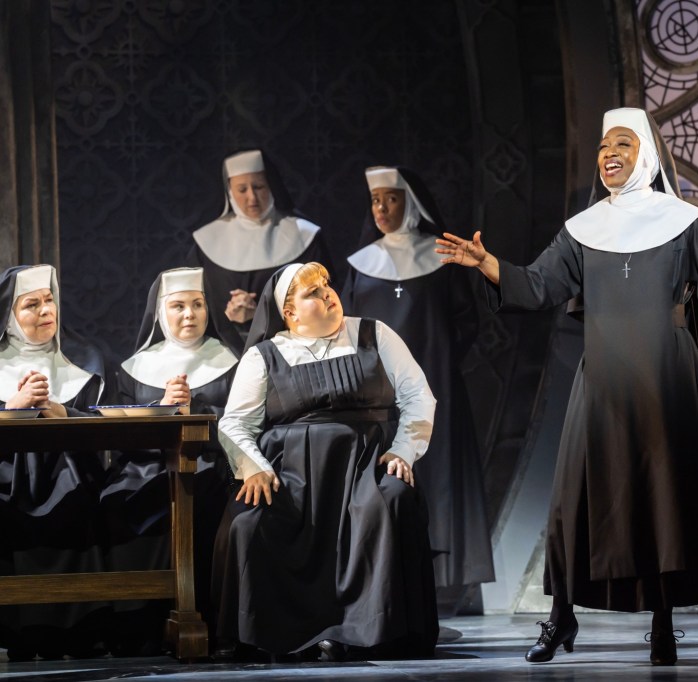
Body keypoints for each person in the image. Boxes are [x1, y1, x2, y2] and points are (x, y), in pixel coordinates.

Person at [436, 107, 698, 666]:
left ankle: (662, 624)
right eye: (602, 147)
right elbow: (538, 286)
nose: (608, 154)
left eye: (621, 144)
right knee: (575, 498)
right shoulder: (583, 228)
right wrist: (489, 263)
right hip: (604, 376)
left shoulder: (687, 221)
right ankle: (561, 615)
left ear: (646, 155)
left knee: (663, 498)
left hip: (664, 374)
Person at [214, 262, 439, 661]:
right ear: (290, 312)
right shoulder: (264, 356)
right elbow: (235, 423)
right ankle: (269, 635)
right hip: (290, 475)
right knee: (248, 523)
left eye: (326, 285)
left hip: (364, 466)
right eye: (312, 293)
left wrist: (403, 450)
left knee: (394, 501)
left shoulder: (373, 334)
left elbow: (418, 396)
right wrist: (255, 468)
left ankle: (380, 632)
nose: (327, 294)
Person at [344, 166, 494, 600]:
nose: (381, 208)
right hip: (376, 396)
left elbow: (466, 321)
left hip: (436, 386)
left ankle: (445, 587)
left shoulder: (442, 257)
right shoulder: (360, 264)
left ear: (410, 202)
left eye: (390, 199)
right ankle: (386, 585)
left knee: (440, 478)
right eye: (375, 200)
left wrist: (437, 362)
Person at [101, 267, 238, 655]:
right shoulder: (133, 367)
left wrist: (197, 410)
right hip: (146, 466)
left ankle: (213, 625)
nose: (189, 314)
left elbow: (246, 422)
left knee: (209, 495)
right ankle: (139, 629)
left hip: (216, 464)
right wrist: (162, 409)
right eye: (178, 306)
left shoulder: (234, 360)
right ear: (161, 312)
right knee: (118, 500)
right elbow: (120, 434)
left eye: (198, 304)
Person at [0, 264, 111, 660]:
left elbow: (109, 427)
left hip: (73, 474)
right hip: (7, 478)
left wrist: (65, 414)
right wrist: (11, 409)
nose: (46, 310)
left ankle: (80, 630)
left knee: (82, 499)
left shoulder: (86, 360)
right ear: (9, 316)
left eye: (49, 300)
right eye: (31, 304)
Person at [187, 149, 334, 356]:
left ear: (271, 186)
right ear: (229, 192)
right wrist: (225, 317)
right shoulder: (206, 240)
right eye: (242, 189)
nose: (252, 197)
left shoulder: (305, 236)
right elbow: (191, 301)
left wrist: (262, 315)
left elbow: (325, 298)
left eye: (258, 187)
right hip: (221, 351)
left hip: (293, 350)